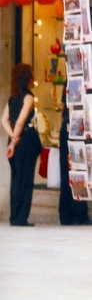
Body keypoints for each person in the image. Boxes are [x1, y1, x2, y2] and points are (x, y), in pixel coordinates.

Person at [1, 63, 42, 226]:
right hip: (25, 140)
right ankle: (21, 217)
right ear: (28, 79)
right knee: (25, 180)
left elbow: (5, 120)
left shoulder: (12, 98)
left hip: (14, 140)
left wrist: (11, 138)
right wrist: (15, 140)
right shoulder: (28, 97)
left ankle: (14, 216)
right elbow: (21, 121)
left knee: (16, 179)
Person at [59, 81, 91, 225]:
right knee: (78, 169)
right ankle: (78, 213)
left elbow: (62, 110)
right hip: (78, 127)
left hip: (68, 127)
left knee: (68, 172)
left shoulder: (70, 81)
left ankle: (66, 214)